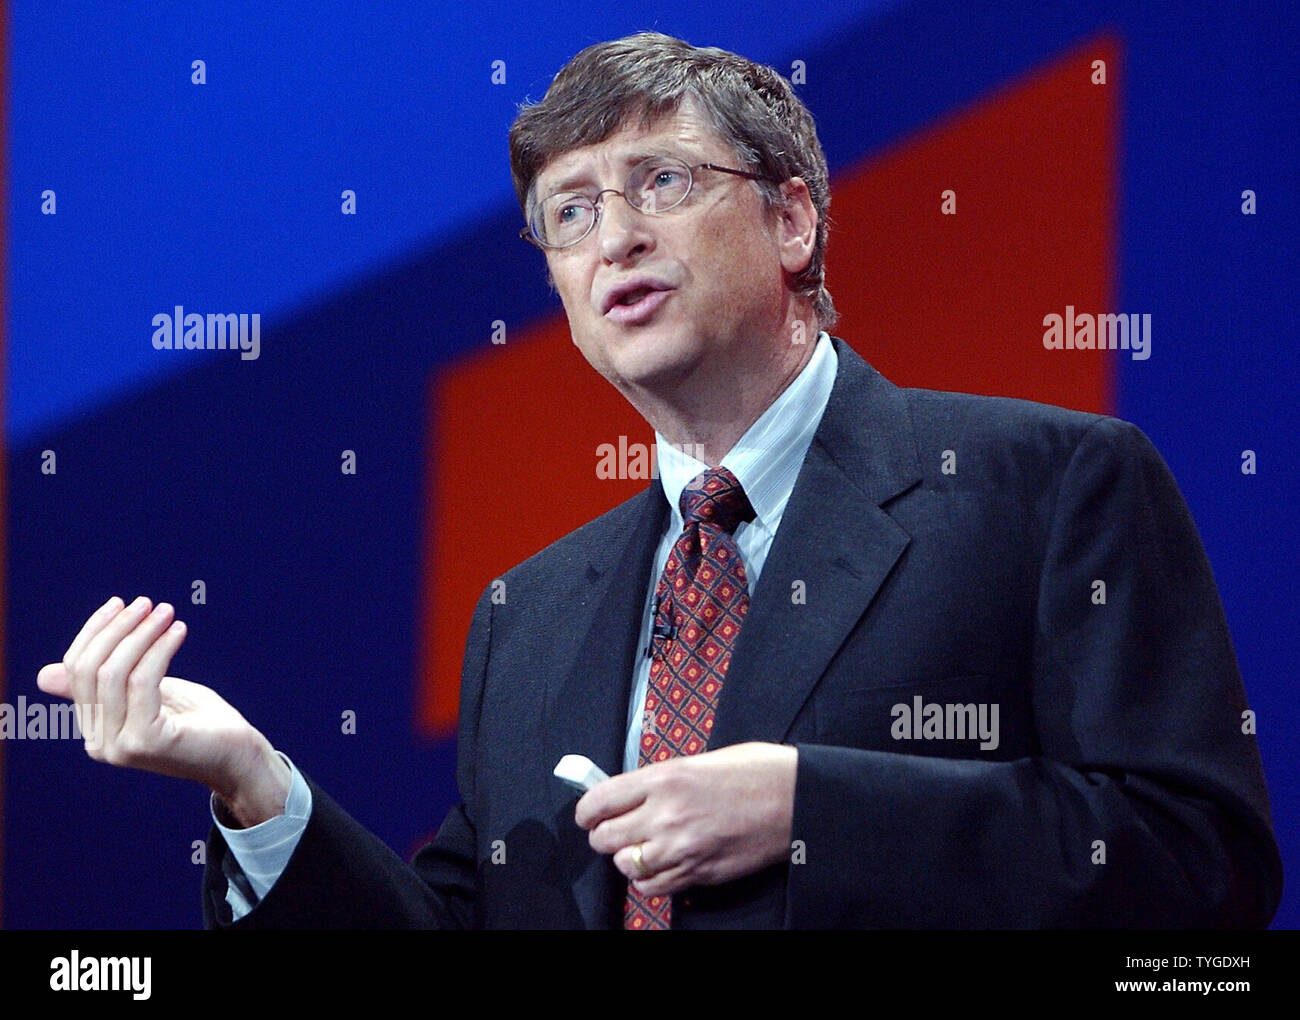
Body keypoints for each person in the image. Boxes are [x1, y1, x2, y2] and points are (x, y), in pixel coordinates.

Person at [38, 32, 1281, 929]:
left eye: (662, 185)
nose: (614, 236)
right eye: (567, 214)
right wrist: (255, 786)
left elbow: (1199, 867)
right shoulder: (527, 613)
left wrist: (812, 810)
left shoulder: (1048, 486)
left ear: (792, 222)